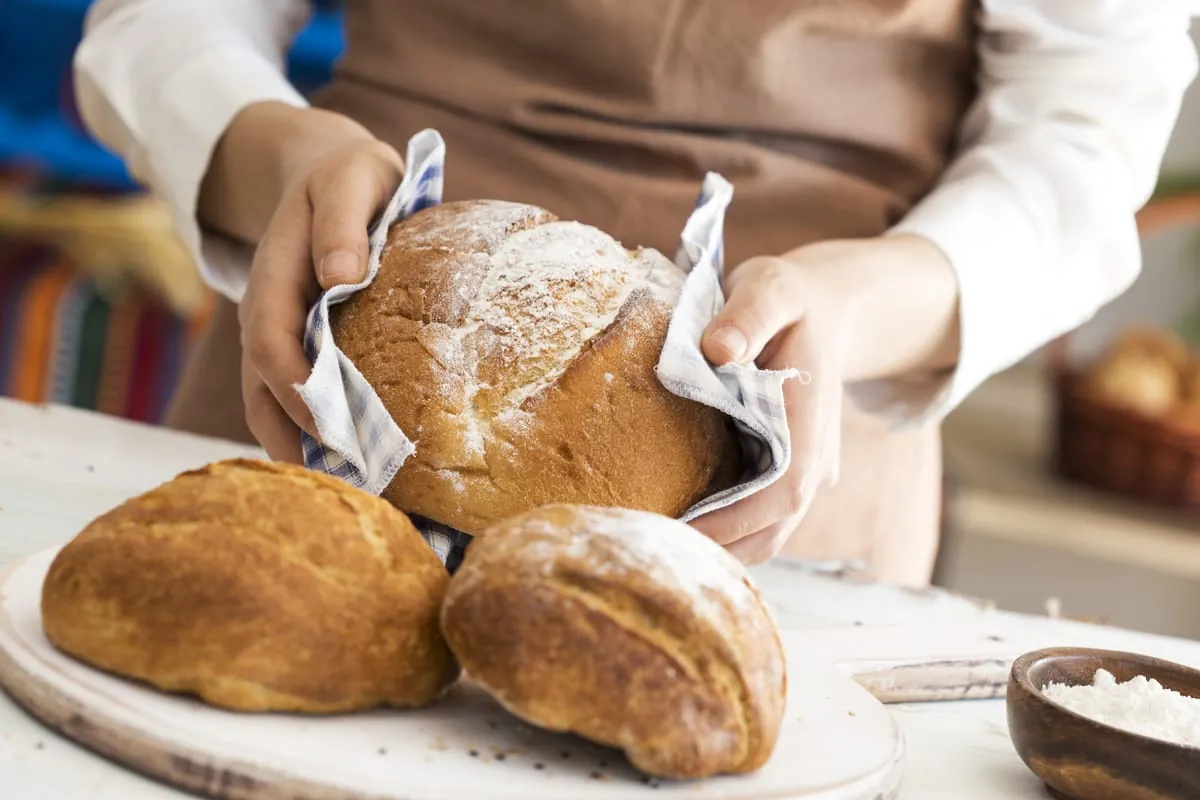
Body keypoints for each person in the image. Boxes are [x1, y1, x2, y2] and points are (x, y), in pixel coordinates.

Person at [74, 1, 1199, 585]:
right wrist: (277, 151)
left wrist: (864, 298)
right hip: (339, 345)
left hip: (786, 444)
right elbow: (161, 18)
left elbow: (1082, 139)